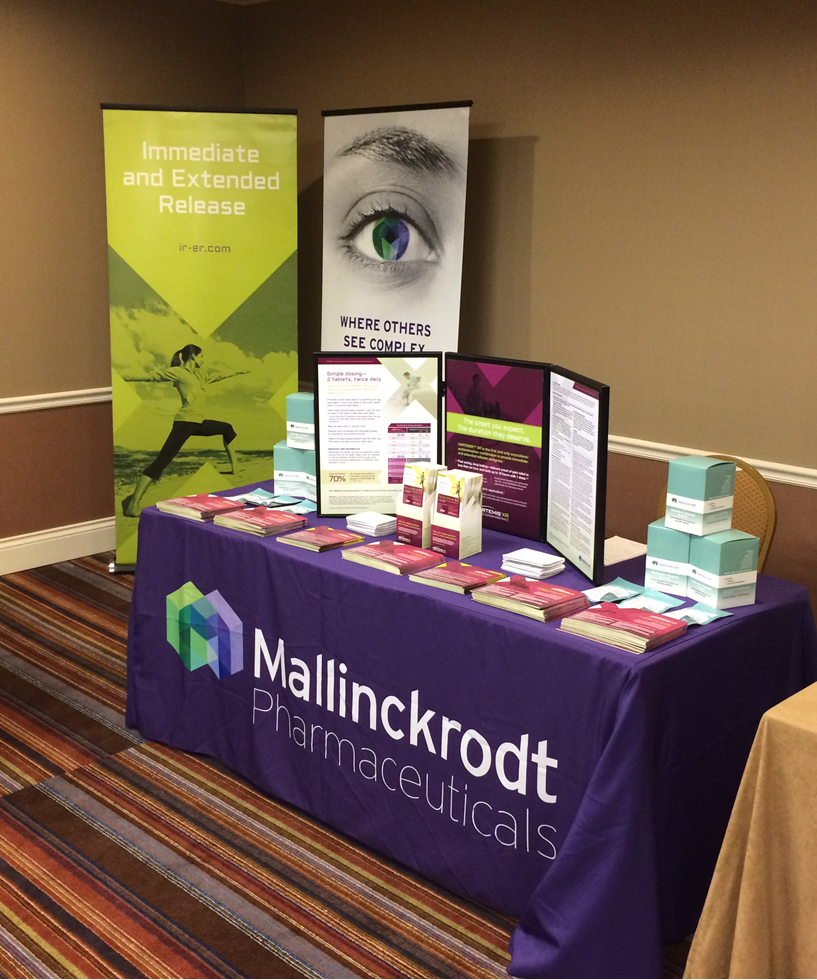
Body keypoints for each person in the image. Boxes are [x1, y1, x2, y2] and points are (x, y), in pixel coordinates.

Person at [121, 344, 247, 517]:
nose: (203, 360)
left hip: (198, 422)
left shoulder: (200, 376)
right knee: (161, 462)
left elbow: (217, 376)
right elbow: (152, 376)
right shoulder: (178, 372)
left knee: (227, 429)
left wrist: (237, 372)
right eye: (201, 356)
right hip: (184, 423)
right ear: (194, 356)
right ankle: (132, 505)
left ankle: (236, 467)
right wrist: (122, 376)